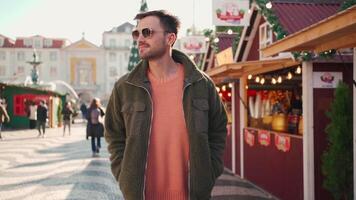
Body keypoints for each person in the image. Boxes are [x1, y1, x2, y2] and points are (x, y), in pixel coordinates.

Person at [104, 10, 227, 200]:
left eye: (147, 33)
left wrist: (209, 171)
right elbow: (114, 135)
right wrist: (124, 175)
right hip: (141, 195)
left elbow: (218, 130)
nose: (139, 39)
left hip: (193, 195)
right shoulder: (125, 87)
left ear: (170, 38)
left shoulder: (201, 84)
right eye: (137, 34)